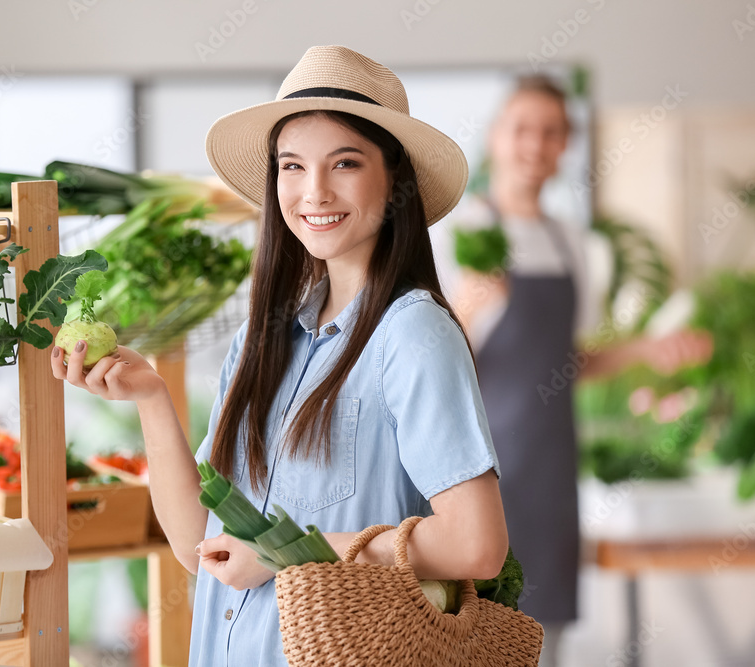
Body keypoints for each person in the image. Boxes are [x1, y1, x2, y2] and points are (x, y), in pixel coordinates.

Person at [52, 45, 510, 667]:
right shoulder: (261, 340)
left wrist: (282, 552)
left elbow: (476, 544)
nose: (313, 191)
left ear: (395, 181)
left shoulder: (413, 336)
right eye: (292, 166)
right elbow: (201, 550)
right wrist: (151, 398)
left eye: (344, 163)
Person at [444, 75, 713, 666]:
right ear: (495, 138)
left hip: (551, 473)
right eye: (522, 129)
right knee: (471, 626)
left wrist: (645, 352)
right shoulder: (460, 234)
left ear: (565, 144)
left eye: (551, 131)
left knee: (545, 631)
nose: (535, 144)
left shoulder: (573, 245)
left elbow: (565, 362)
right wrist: (466, 306)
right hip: (474, 470)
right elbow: (427, 363)